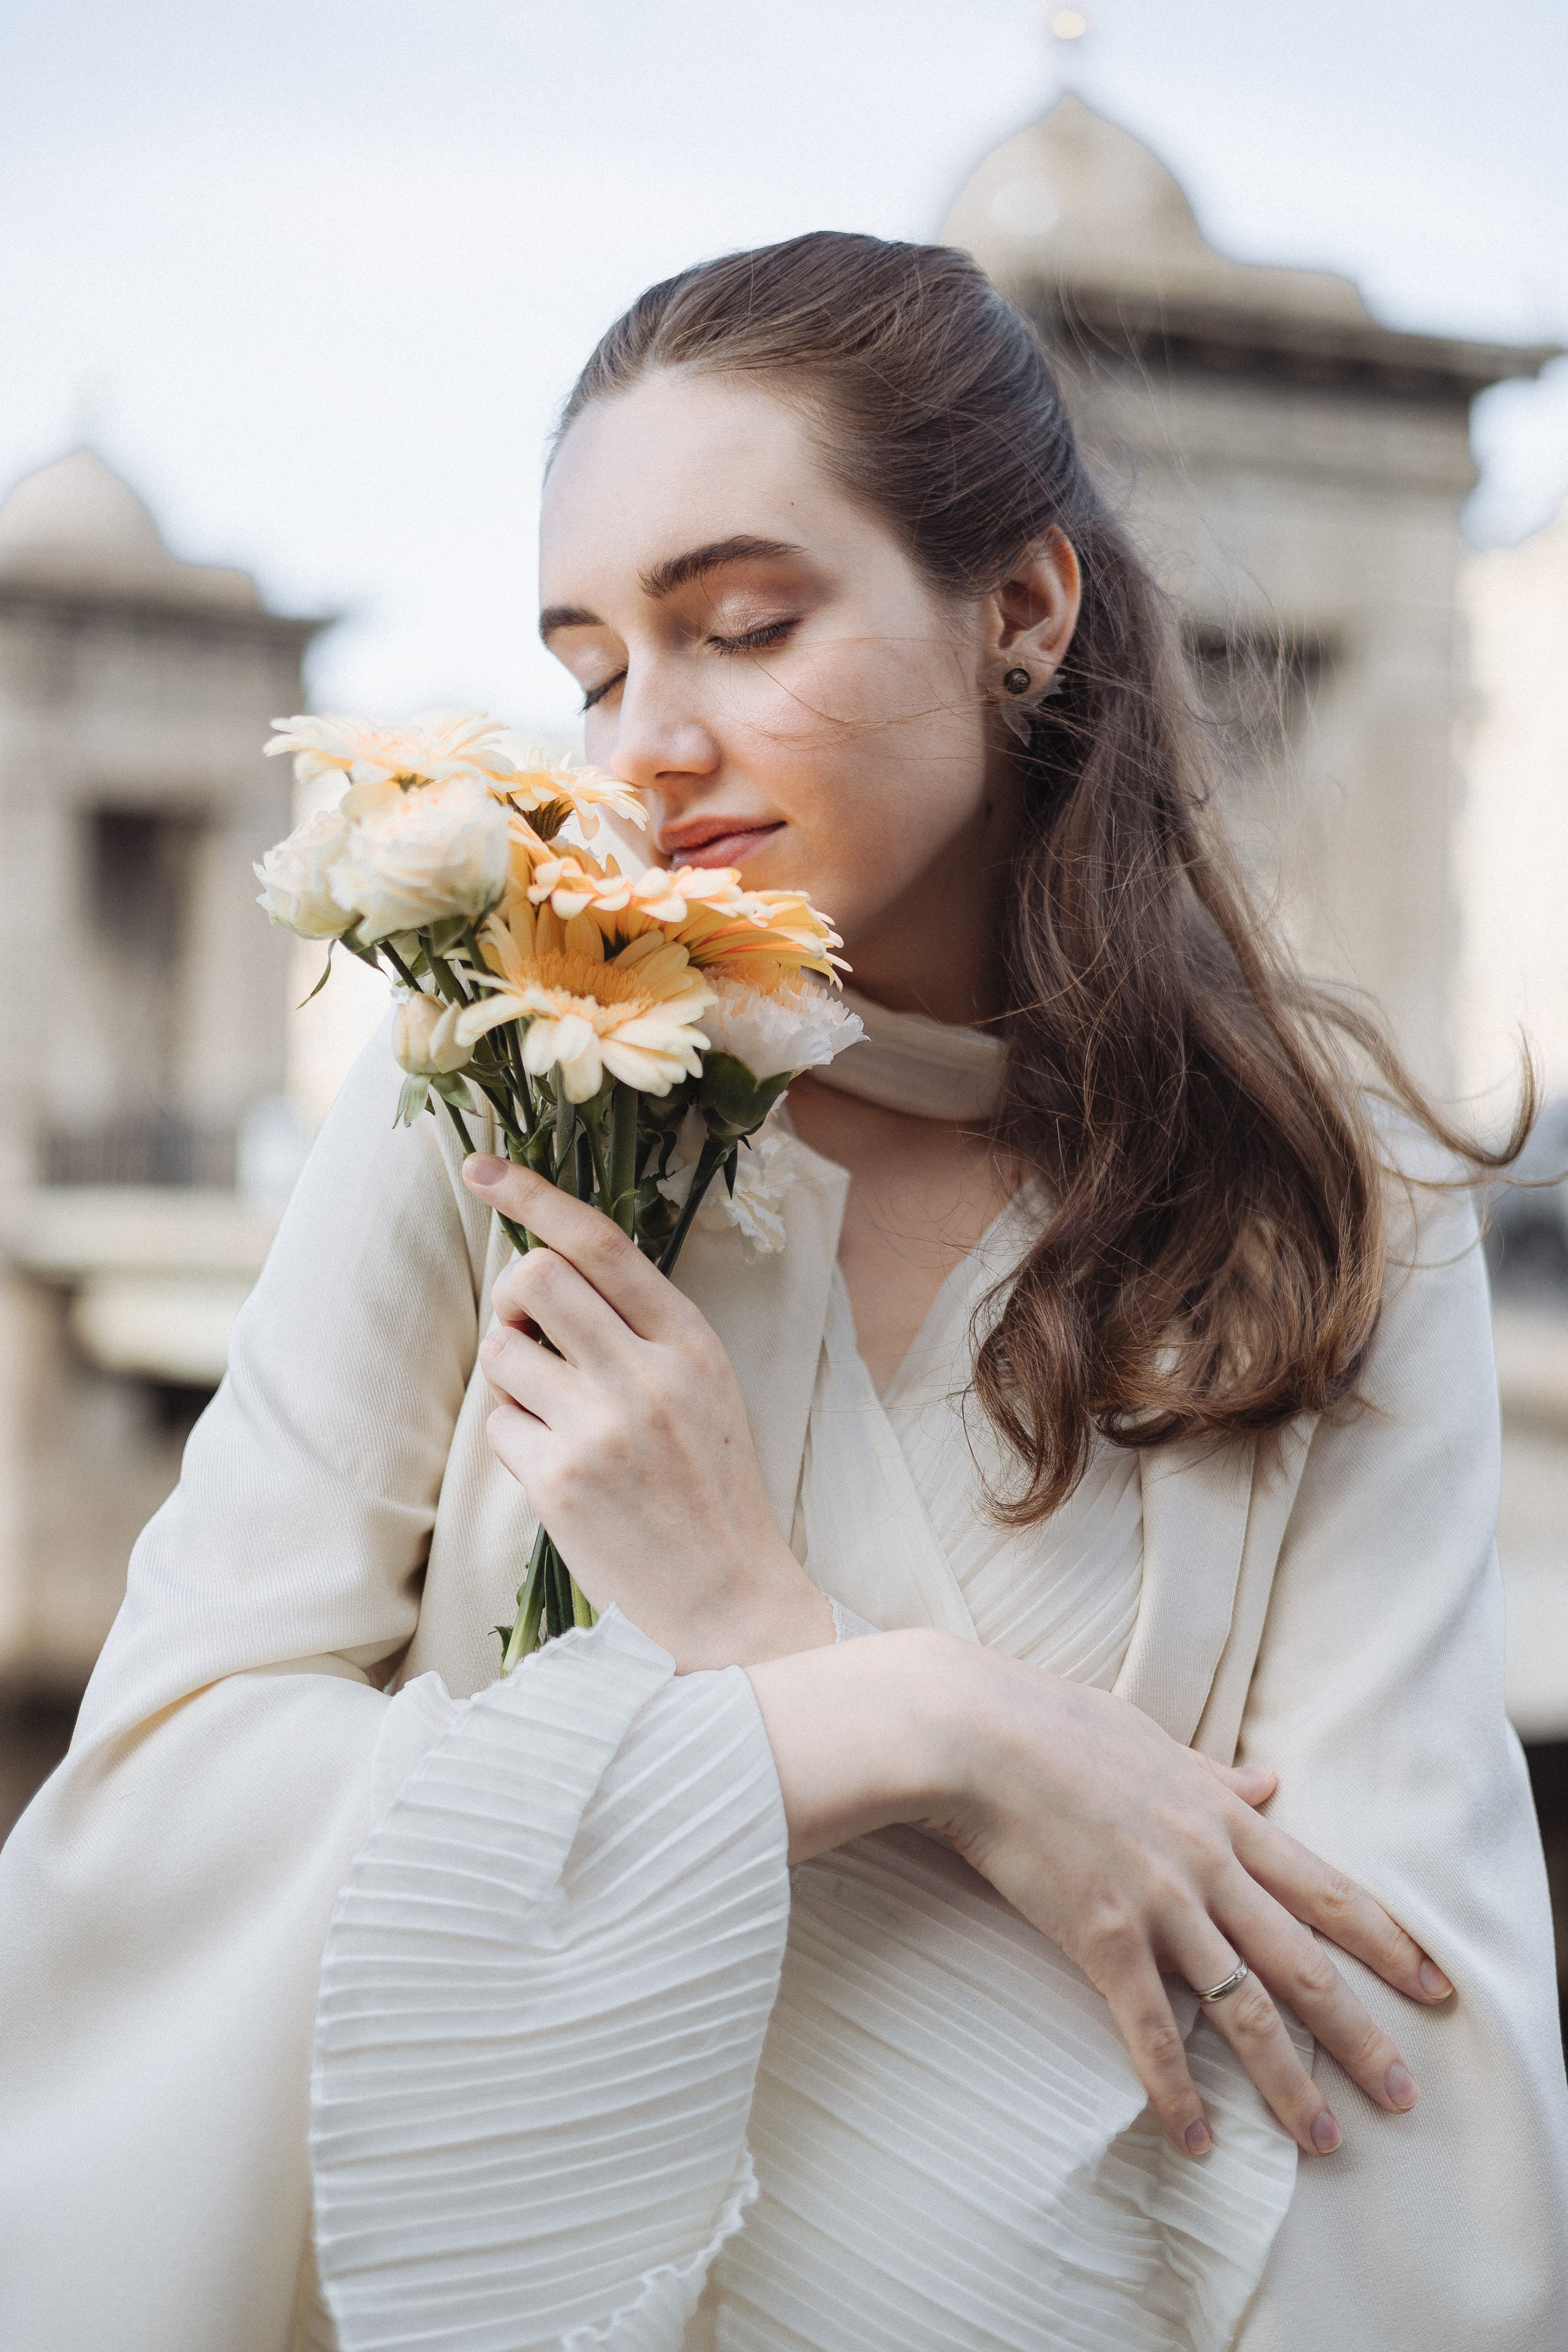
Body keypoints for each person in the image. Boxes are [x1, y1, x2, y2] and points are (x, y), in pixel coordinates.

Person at [2, 232, 1564, 2352]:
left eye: (742, 627)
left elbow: (1397, 2094)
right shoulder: (495, 1091)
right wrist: (908, 1728)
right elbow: (147, 1840)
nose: (642, 751)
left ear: (1020, 609)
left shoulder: (1343, 1219)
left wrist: (756, 1641)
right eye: (589, 666)